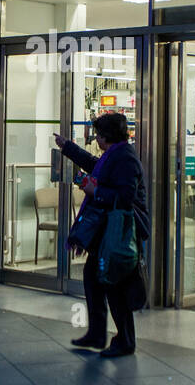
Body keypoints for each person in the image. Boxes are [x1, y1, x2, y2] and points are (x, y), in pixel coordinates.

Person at [53, 111, 149, 357]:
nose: (96, 139)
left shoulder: (125, 159)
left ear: (106, 137)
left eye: (98, 135)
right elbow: (96, 166)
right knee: (95, 280)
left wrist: (96, 191)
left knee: (113, 286)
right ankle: (97, 333)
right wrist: (69, 148)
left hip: (118, 235)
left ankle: (125, 340)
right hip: (107, 232)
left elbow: (125, 198)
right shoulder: (114, 156)